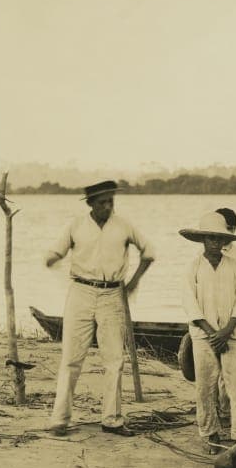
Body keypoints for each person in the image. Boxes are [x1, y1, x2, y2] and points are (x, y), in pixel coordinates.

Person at [45, 180, 155, 437]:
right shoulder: (76, 225)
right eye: (102, 202)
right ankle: (60, 419)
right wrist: (52, 259)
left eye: (111, 202)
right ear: (91, 204)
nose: (108, 206)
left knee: (114, 359)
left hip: (113, 294)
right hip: (80, 292)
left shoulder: (124, 225)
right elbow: (56, 252)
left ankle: (112, 419)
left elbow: (148, 252)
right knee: (72, 358)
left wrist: (134, 282)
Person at [179, 212, 236, 451]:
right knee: (206, 386)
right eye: (210, 238)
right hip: (203, 335)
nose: (215, 243)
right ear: (203, 240)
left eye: (219, 238)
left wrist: (226, 331)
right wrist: (212, 333)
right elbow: (190, 304)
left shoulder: (235, 266)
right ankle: (210, 433)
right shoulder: (193, 268)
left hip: (233, 332)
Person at [213, 207, 236, 426]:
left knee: (232, 373)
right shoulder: (204, 257)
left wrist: (230, 326)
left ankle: (227, 411)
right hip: (209, 324)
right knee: (212, 373)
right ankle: (218, 411)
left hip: (232, 323)